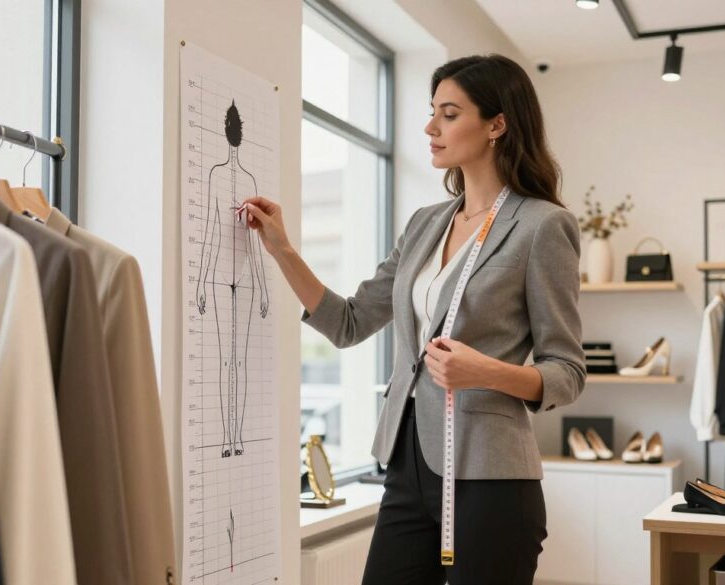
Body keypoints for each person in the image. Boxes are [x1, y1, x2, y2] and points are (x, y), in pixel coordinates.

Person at [241, 54, 586, 584]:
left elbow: (567, 370)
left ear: (496, 124)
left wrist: (486, 372)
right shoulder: (426, 224)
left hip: (489, 477)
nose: (430, 127)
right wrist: (283, 249)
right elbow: (349, 322)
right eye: (432, 112)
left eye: (449, 114)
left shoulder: (542, 226)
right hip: (409, 465)